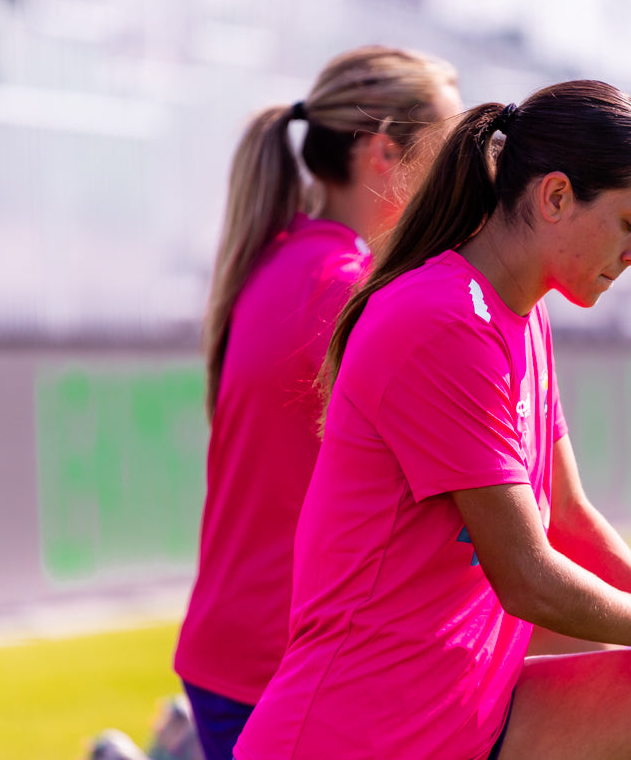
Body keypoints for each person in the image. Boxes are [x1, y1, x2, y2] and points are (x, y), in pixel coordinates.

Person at [235, 80, 631, 760]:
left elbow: (568, 516)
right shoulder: (442, 321)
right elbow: (529, 575)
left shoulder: (521, 315)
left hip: (465, 714)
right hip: (362, 736)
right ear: (556, 197)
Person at [173, 45, 462, 760]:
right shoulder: (345, 294)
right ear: (382, 155)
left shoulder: (291, 261)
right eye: (453, 153)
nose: (468, 182)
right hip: (281, 669)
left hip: (250, 655)